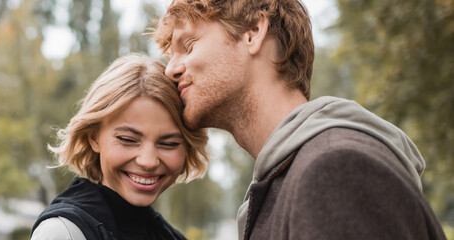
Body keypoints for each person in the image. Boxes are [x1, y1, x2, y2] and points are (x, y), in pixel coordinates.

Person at [152, 0, 447, 239]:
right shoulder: (290, 176)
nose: (170, 70)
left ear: (253, 32)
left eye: (188, 45)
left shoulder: (336, 172)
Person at [30, 54, 210, 240]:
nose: (148, 161)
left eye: (169, 144)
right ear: (93, 137)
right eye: (128, 139)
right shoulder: (63, 233)